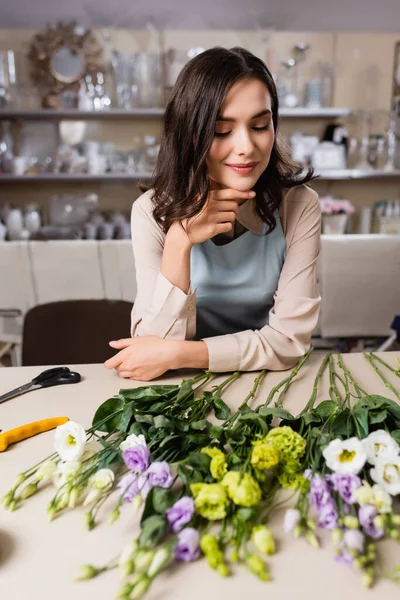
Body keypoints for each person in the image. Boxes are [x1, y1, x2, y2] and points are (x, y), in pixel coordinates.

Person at [104, 46, 321, 381]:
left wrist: (181, 354)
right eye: (222, 131)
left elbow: (289, 343)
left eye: (260, 125)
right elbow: (150, 349)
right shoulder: (150, 212)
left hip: (273, 383)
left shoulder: (299, 205)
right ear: (190, 135)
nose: (246, 146)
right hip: (183, 388)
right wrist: (180, 240)